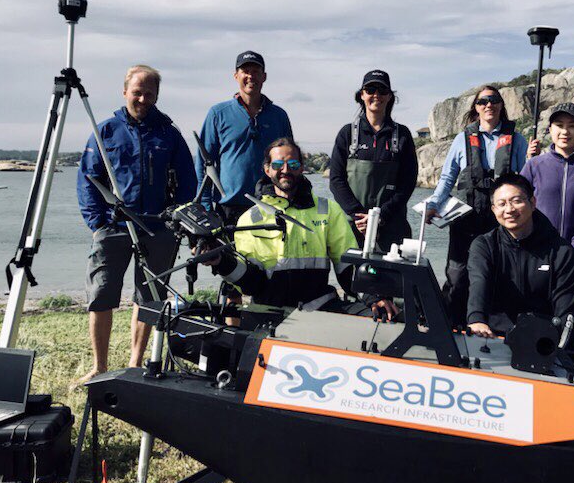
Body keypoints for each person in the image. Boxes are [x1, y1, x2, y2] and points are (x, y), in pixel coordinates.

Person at [77, 64, 197, 382]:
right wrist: (96, 222)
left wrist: (176, 218)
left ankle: (134, 363)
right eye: (137, 92)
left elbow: (187, 180)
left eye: (150, 94)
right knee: (101, 294)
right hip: (113, 226)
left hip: (157, 228)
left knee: (149, 297)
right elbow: (88, 178)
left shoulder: (169, 134)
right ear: (125, 91)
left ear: (157, 95)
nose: (143, 99)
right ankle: (99, 366)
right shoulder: (105, 131)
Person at [214, 138, 396, 319]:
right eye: (278, 164)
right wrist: (220, 261)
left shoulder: (328, 210)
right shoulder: (249, 219)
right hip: (269, 313)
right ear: (267, 169)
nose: (285, 170)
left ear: (302, 168)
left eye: (293, 164)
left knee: (386, 320)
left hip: (321, 308)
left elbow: (348, 266)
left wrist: (373, 298)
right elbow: (249, 284)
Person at [424, 85, 536, 326]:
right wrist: (433, 204)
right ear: (475, 108)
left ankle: (493, 329)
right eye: (482, 101)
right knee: (458, 274)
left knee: (497, 276)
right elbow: (447, 179)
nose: (488, 105)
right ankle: (450, 325)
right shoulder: (462, 140)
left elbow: (523, 179)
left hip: (500, 221)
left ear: (501, 105)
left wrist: (531, 159)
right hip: (466, 219)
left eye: (494, 100)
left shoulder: (516, 139)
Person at [521, 103, 574, 349]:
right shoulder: (534, 166)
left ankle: (571, 358)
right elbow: (520, 206)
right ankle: (533, 354)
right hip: (539, 252)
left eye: (572, 126)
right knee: (536, 306)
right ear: (550, 129)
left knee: (573, 310)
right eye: (559, 125)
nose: (565, 131)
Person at [466, 174, 574, 342]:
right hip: (494, 336)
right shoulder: (484, 245)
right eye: (502, 204)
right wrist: (476, 319)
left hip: (542, 341)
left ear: (532, 203)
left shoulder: (561, 251)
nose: (509, 209)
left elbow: (566, 310)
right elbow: (479, 283)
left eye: (516, 201)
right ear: (493, 210)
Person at [195, 51, 293, 226]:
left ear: (264, 77)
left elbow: (291, 161)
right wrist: (205, 209)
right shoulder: (218, 113)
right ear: (236, 76)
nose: (250, 76)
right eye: (245, 71)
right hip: (228, 209)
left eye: (256, 71)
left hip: (271, 205)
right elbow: (204, 165)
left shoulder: (279, 116)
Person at [329, 70, 418, 252]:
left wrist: (381, 217)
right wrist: (358, 216)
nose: (376, 95)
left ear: (389, 97)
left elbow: (407, 183)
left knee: (391, 279)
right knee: (352, 279)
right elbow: (336, 180)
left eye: (382, 90)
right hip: (353, 227)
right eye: (370, 89)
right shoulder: (347, 134)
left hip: (393, 226)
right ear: (362, 95)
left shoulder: (402, 135)